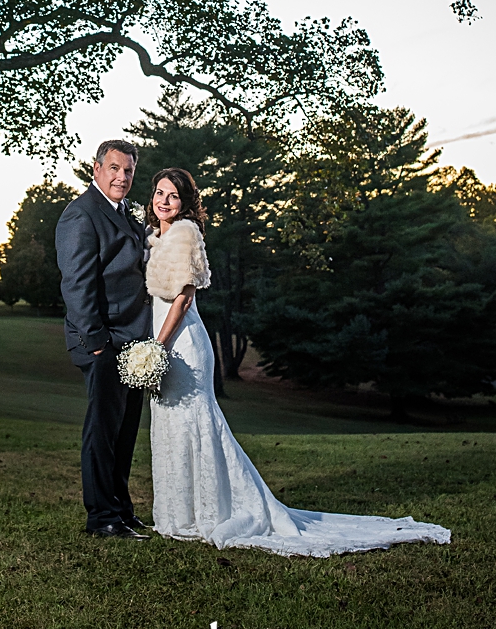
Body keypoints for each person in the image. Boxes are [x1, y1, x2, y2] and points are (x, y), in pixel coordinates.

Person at [143, 167, 451, 555]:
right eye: (158, 192)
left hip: (181, 342)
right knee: (170, 422)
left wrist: (157, 346)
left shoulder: (185, 235)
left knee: (195, 424)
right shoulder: (155, 237)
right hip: (161, 339)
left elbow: (183, 298)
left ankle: (209, 511)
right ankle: (175, 514)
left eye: (172, 194)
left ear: (185, 202)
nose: (163, 200)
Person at [57, 138, 153, 539]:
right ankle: (101, 518)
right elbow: (77, 286)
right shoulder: (81, 215)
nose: (122, 177)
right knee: (102, 432)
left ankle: (122, 510)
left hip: (132, 341)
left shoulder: (123, 213)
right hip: (104, 342)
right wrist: (97, 343)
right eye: (114, 168)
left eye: (128, 170)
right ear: (96, 169)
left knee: (124, 431)